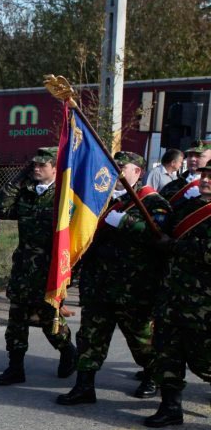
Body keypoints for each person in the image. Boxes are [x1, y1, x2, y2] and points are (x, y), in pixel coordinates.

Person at [55, 152, 170, 405]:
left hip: (134, 288)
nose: (116, 172)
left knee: (141, 340)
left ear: (137, 172)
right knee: (90, 337)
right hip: (98, 285)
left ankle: (153, 377)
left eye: (121, 167)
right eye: (113, 167)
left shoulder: (153, 203)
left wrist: (126, 221)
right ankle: (84, 386)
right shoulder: (98, 199)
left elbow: (161, 237)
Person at [0, 148, 77, 385]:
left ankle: (68, 351)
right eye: (33, 165)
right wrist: (18, 180)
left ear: (54, 168)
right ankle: (15, 367)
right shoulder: (27, 193)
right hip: (24, 268)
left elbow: (74, 238)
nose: (36, 169)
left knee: (50, 321)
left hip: (49, 272)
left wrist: (69, 274)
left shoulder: (64, 196)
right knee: (16, 320)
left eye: (41, 165)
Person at [144, 163, 211, 428]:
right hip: (172, 297)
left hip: (203, 304)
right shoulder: (186, 208)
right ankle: (170, 407)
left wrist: (173, 245)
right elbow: (162, 231)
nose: (205, 179)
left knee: (204, 360)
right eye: (204, 175)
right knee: (167, 354)